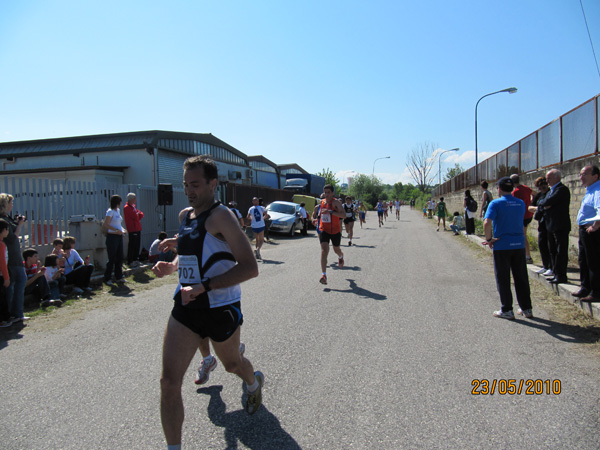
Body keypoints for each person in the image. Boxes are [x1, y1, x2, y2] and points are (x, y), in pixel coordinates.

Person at [151, 155, 263, 449]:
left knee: (232, 364)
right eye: (186, 184)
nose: (189, 190)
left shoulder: (222, 217)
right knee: (169, 382)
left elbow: (250, 268)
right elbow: (190, 252)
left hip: (220, 307)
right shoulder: (185, 216)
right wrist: (172, 267)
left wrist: (206, 286)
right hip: (187, 306)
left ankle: (253, 382)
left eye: (196, 184)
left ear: (213, 184)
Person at [483, 177, 533, 320]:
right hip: (519, 244)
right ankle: (526, 308)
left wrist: (488, 239)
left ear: (499, 188)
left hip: (502, 245)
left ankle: (507, 310)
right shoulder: (521, 203)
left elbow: (487, 222)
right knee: (521, 277)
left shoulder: (495, 203)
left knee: (503, 278)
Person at [536, 169, 571, 285]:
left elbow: (546, 202)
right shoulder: (551, 191)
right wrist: (544, 204)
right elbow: (542, 202)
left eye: (549, 178)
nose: (547, 180)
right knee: (552, 250)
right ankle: (555, 272)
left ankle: (561, 275)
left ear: (557, 177)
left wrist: (545, 203)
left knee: (560, 251)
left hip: (560, 225)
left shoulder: (561, 190)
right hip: (550, 225)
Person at [0, 193, 29, 323]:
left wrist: (17, 222)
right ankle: (11, 314)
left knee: (20, 283)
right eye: (11, 202)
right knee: (11, 287)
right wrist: (20, 225)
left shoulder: (8, 218)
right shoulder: (2, 220)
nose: (12, 205)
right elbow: (11, 238)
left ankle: (18, 313)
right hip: (10, 258)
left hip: (16, 256)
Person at [573, 165, 600, 302]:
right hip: (584, 230)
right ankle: (585, 287)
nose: (581, 177)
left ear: (595, 176)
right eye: (580, 174)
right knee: (583, 260)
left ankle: (596, 292)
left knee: (593, 261)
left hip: (592, 232)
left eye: (584, 174)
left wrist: (595, 226)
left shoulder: (598, 190)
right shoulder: (590, 190)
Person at [317, 185, 346, 285]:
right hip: (324, 229)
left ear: (333, 193)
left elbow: (343, 215)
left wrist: (331, 212)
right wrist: (316, 220)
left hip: (335, 231)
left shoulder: (336, 203)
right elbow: (321, 215)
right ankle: (324, 275)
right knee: (324, 250)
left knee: (336, 249)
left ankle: (341, 256)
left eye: (329, 192)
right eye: (325, 192)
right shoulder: (322, 202)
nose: (327, 194)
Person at [528, 177, 551, 275]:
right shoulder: (539, 196)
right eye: (539, 187)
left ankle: (551, 267)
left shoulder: (551, 193)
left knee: (551, 246)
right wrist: (540, 208)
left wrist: (539, 208)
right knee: (542, 245)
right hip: (541, 223)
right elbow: (530, 207)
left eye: (543, 186)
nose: (541, 188)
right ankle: (545, 266)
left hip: (550, 223)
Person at [102, 194, 126, 285]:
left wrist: (122, 230)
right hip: (112, 236)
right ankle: (107, 278)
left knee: (119, 257)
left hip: (119, 236)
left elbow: (118, 223)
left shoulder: (118, 211)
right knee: (112, 258)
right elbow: (106, 224)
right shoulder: (110, 211)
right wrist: (116, 231)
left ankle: (118, 276)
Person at [510, 174, 534, 264]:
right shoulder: (526, 187)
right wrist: (531, 201)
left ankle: (527, 256)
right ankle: (524, 254)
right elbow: (535, 194)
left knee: (523, 235)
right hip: (529, 214)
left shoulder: (515, 192)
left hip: (522, 216)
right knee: (522, 234)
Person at [123, 192, 144, 267]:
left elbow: (141, 214)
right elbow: (135, 216)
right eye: (134, 198)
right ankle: (130, 261)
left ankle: (136, 259)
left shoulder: (133, 207)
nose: (135, 200)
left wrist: (138, 215)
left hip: (138, 228)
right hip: (132, 229)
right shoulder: (127, 208)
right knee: (132, 245)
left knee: (137, 244)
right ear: (131, 199)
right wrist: (138, 215)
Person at [0, 219, 12, 327]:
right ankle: (3, 319)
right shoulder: (1, 244)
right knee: (2, 298)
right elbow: (2, 262)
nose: (8, 232)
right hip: (0, 275)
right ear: (3, 230)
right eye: (7, 229)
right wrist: (6, 277)